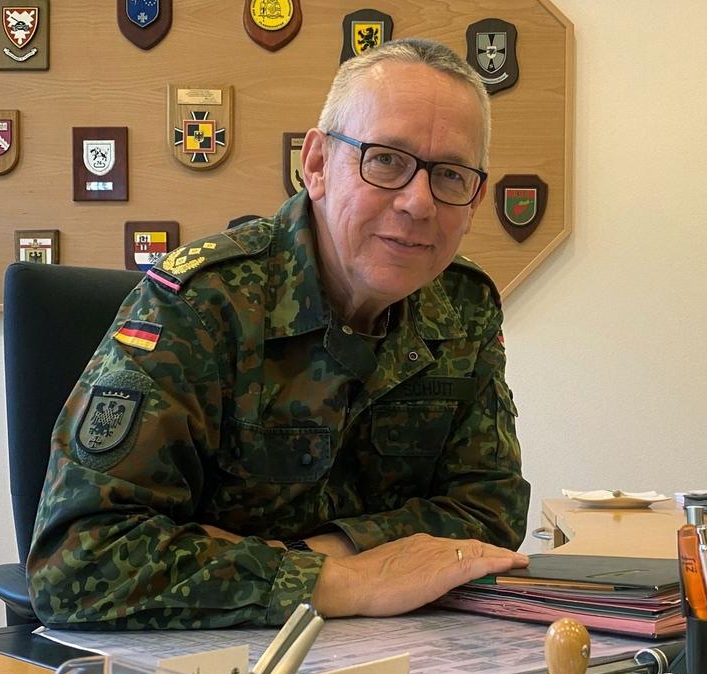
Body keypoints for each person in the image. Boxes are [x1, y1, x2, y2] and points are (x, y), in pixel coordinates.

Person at [27, 38, 530, 630]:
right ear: (316, 165)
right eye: (386, 160)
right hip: (206, 666)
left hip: (395, 651)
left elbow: (490, 513)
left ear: (474, 198)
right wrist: (345, 581)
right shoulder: (203, 303)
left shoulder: (463, 305)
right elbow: (78, 560)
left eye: (449, 174)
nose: (419, 203)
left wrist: (319, 553)